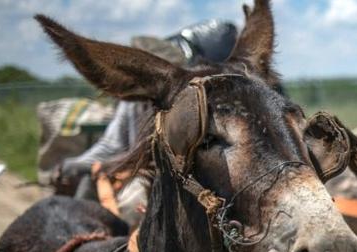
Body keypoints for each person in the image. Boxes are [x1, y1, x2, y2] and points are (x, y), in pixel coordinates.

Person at [51, 19, 238, 226]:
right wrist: (75, 165)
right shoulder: (130, 103)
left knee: (133, 203)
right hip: (128, 172)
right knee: (83, 189)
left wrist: (109, 166)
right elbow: (111, 144)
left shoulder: (185, 105)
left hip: (164, 177)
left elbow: (164, 155)